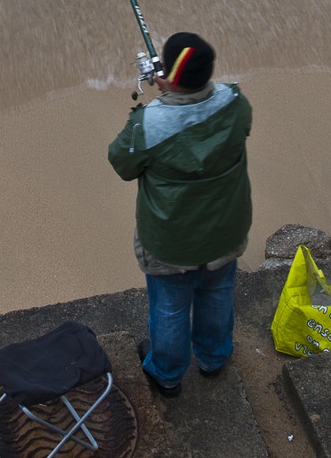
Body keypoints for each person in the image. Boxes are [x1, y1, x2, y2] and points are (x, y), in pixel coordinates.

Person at [107, 32, 252, 398]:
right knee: (218, 294)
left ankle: (168, 374)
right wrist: (176, 93)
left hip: (171, 242)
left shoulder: (147, 124)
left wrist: (166, 99)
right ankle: (213, 358)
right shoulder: (236, 104)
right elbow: (231, 127)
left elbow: (122, 162)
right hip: (225, 231)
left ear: (167, 76)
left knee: (170, 309)